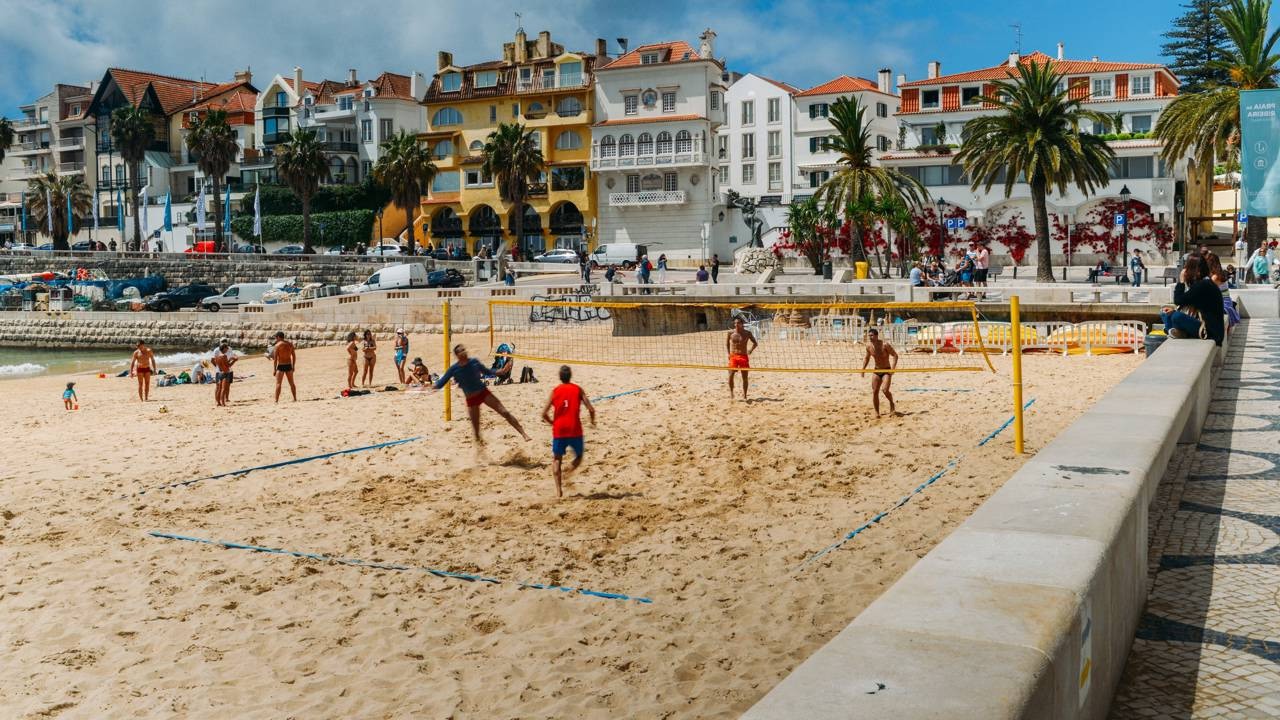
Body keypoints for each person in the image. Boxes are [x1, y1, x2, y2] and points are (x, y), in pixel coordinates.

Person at [433, 344, 531, 444]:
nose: (464, 351)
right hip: (471, 400)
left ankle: (523, 433)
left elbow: (487, 371)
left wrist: (501, 371)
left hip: (483, 393)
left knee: (504, 412)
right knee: (476, 431)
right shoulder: (454, 369)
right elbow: (441, 383)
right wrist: (430, 387)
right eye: (461, 350)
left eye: (464, 349)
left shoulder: (474, 362)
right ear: (457, 355)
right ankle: (480, 452)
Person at [541, 365, 597, 497]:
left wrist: (552, 424)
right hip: (574, 429)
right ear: (570, 375)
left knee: (556, 459)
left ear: (560, 377)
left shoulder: (555, 391)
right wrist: (592, 421)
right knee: (579, 456)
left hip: (559, 429)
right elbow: (591, 409)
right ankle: (568, 471)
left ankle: (558, 491)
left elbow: (544, 414)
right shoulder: (577, 389)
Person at [1161, 255, 1225, 346]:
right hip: (1201, 324)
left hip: (1209, 331)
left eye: (1187, 268)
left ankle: (1172, 330)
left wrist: (1181, 282)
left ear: (1197, 271)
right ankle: (1174, 331)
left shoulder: (1203, 285)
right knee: (1164, 312)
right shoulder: (1203, 283)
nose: (1185, 271)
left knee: (1176, 316)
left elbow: (1178, 300)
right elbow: (1186, 301)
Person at [862, 327, 899, 417]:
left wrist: (893, 369)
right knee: (875, 391)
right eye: (869, 336)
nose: (870, 337)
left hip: (886, 370)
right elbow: (867, 358)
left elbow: (895, 355)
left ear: (876, 336)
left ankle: (891, 403)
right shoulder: (869, 346)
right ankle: (877, 412)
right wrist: (863, 369)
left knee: (885, 390)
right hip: (877, 370)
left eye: (872, 335)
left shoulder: (885, 345)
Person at [726, 316, 758, 400]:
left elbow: (755, 343)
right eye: (735, 323)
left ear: (742, 324)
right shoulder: (730, 333)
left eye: (738, 323)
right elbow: (727, 344)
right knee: (730, 375)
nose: (736, 324)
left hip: (743, 356)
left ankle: (744, 395)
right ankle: (732, 392)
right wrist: (728, 354)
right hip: (733, 356)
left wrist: (750, 350)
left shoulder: (747, 333)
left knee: (745, 377)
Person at [272, 331, 298, 402]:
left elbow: (275, 359)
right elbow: (294, 356)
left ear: (278, 337)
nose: (276, 339)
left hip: (281, 366)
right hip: (289, 365)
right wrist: (293, 366)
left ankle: (276, 400)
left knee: (278, 384)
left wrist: (274, 369)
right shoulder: (290, 344)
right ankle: (295, 398)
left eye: (276, 338)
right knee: (292, 383)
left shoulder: (277, 345)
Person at [212, 342, 237, 407]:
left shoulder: (217, 357)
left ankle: (218, 402)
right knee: (223, 389)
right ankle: (223, 403)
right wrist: (234, 360)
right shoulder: (224, 356)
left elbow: (220, 365)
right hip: (225, 373)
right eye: (226, 348)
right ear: (224, 349)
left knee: (219, 389)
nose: (227, 349)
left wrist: (230, 359)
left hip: (219, 372)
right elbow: (228, 365)